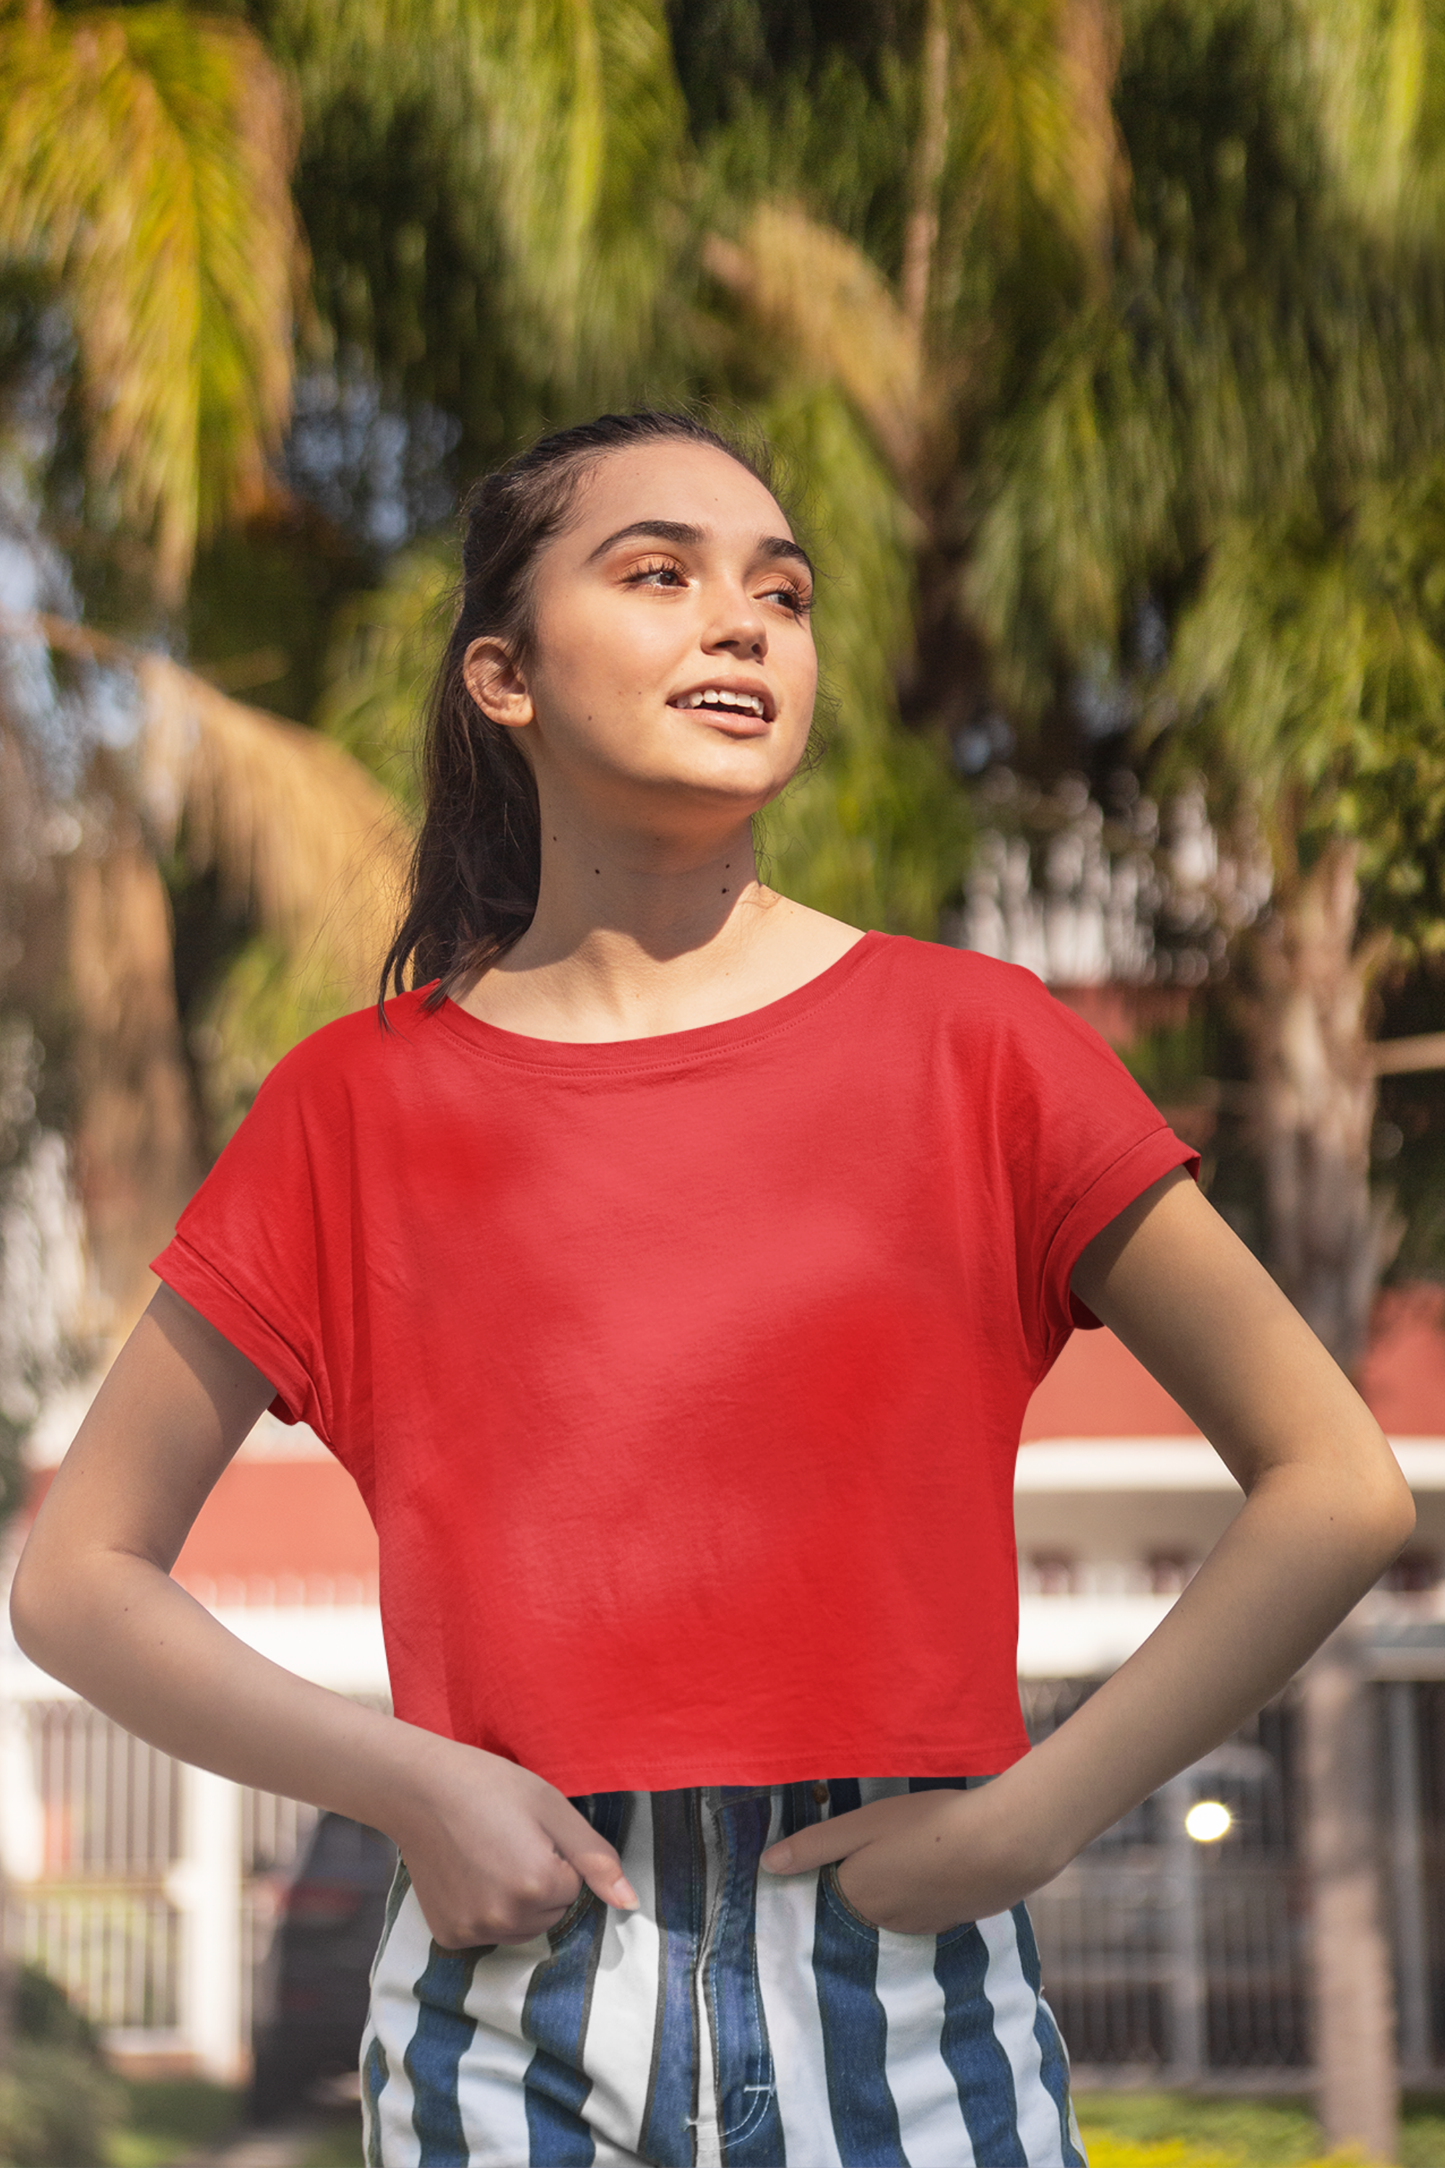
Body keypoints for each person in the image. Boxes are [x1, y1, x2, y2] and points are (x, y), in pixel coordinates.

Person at [11, 410, 1413, 2168]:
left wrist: (1031, 1826)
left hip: (911, 1989)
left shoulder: (981, 1050)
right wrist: (406, 1781)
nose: (740, 622)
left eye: (784, 591)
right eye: (657, 574)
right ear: (503, 676)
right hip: (503, 1994)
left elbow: (1339, 1484)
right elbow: (77, 1580)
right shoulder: (352, 1110)